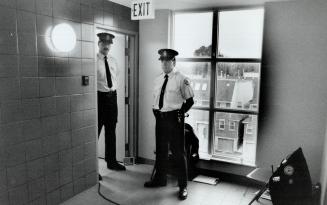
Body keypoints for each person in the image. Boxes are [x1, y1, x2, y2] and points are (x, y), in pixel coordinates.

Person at [144, 48, 194, 200]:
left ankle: (183, 186)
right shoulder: (158, 79)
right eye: (162, 61)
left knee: (179, 154)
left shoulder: (181, 78)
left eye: (167, 60)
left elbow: (190, 100)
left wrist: (181, 112)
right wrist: (156, 112)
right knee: (161, 152)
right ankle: (160, 179)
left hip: (174, 120)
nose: (164, 63)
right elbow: (156, 100)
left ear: (174, 61)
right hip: (160, 119)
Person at [97, 32, 126, 179]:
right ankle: (92, 169)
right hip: (99, 99)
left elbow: (115, 78)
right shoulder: (93, 61)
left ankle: (111, 161)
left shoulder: (114, 61)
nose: (106, 46)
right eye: (103, 43)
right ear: (99, 44)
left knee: (111, 130)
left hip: (112, 98)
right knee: (94, 133)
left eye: (108, 44)